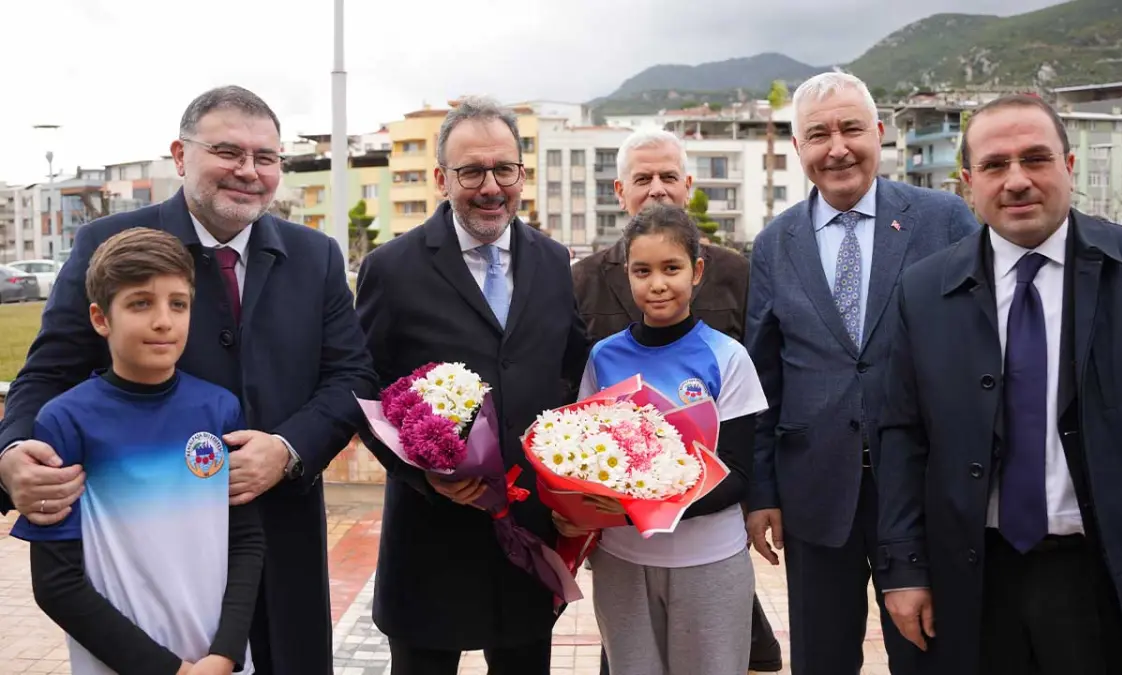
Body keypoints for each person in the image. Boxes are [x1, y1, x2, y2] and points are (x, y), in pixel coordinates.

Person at [0, 86, 376, 675]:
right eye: (228, 152)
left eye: (266, 158)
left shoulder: (317, 255)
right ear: (180, 155)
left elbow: (352, 375)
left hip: (279, 545)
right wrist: (14, 450)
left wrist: (286, 448)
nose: (248, 172)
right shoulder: (108, 245)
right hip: (150, 564)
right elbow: (49, 370)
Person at [874, 93, 1122, 675]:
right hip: (973, 582)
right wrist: (903, 570)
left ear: (1069, 168)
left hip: (1110, 580)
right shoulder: (923, 293)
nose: (1017, 181)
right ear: (968, 183)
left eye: (1036, 159)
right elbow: (901, 437)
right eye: (996, 166)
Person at [744, 71, 980, 675]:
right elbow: (763, 376)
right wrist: (762, 490)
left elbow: (982, 348)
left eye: (852, 128)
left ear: (880, 133)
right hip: (814, 491)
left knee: (930, 651)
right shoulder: (775, 243)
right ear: (799, 150)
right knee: (822, 658)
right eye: (818, 134)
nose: (837, 147)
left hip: (925, 486)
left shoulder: (944, 221)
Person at [355, 95, 591, 675]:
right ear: (441, 178)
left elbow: (572, 373)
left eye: (504, 169)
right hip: (431, 535)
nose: (491, 187)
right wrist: (427, 477)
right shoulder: (393, 268)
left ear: (521, 172)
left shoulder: (553, 261)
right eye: (471, 171)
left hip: (527, 535)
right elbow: (362, 390)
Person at [571, 128, 782, 673]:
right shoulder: (591, 319)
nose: (658, 284)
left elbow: (743, 448)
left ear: (698, 272)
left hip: (708, 549)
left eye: (672, 270)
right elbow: (579, 444)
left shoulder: (729, 333)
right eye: (642, 272)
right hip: (622, 554)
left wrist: (656, 498)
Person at [10, 228, 265, 675]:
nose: (163, 320)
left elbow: (244, 539)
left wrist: (224, 654)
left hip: (217, 663)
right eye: (140, 303)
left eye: (178, 304)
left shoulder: (219, 408)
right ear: (101, 318)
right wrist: (172, 670)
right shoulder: (65, 421)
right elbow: (57, 584)